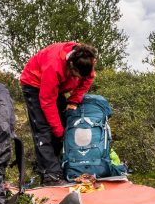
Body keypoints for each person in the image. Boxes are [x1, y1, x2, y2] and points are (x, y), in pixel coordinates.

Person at [19, 42, 97, 185]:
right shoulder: (53, 66)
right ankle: (51, 176)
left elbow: (87, 80)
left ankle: (51, 167)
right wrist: (58, 130)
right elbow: (47, 101)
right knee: (44, 129)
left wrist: (73, 100)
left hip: (57, 88)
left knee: (64, 123)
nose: (78, 79)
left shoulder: (87, 61)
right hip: (34, 85)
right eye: (75, 75)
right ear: (70, 64)